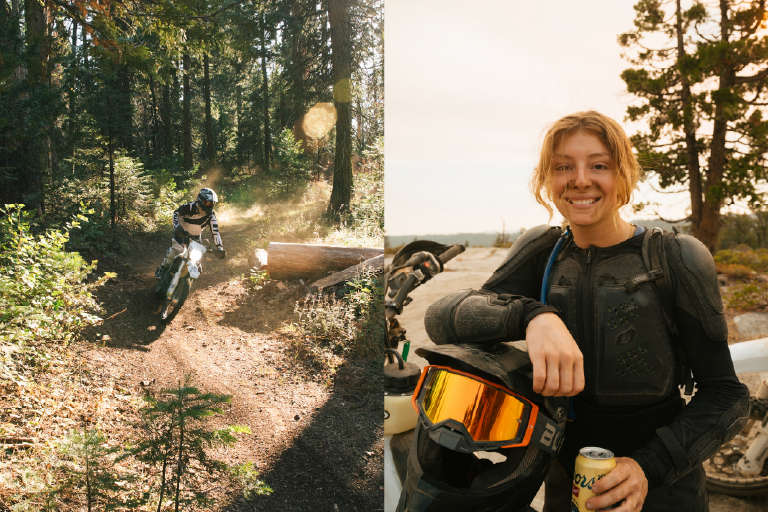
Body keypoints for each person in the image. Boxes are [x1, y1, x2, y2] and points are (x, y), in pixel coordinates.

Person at [423, 111, 750, 511]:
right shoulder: (542, 251)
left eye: (599, 165)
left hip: (665, 488)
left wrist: (648, 467)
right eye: (563, 166)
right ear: (547, 179)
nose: (580, 179)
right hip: (567, 483)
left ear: (624, 175)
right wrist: (534, 316)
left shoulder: (675, 257)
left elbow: (726, 395)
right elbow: (443, 319)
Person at [155, 187, 225, 278]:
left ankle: (189, 278)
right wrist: (177, 227)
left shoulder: (211, 215)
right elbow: (176, 213)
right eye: (207, 203)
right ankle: (162, 268)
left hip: (195, 237)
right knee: (177, 251)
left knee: (198, 259)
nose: (210, 205)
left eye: (212, 203)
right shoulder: (189, 207)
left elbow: (215, 231)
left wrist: (219, 247)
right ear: (200, 200)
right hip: (180, 233)